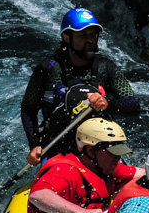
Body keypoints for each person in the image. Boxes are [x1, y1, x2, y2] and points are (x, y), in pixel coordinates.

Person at [20, 8, 141, 165]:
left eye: (93, 35)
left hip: (102, 148)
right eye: (83, 35)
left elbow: (134, 106)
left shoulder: (107, 67)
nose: (90, 40)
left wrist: (108, 103)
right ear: (66, 37)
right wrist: (34, 144)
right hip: (59, 149)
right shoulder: (48, 68)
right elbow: (28, 108)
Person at [23, 118, 143, 213]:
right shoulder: (64, 170)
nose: (118, 158)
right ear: (90, 150)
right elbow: (38, 195)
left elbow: (145, 173)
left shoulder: (106, 168)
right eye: (112, 153)